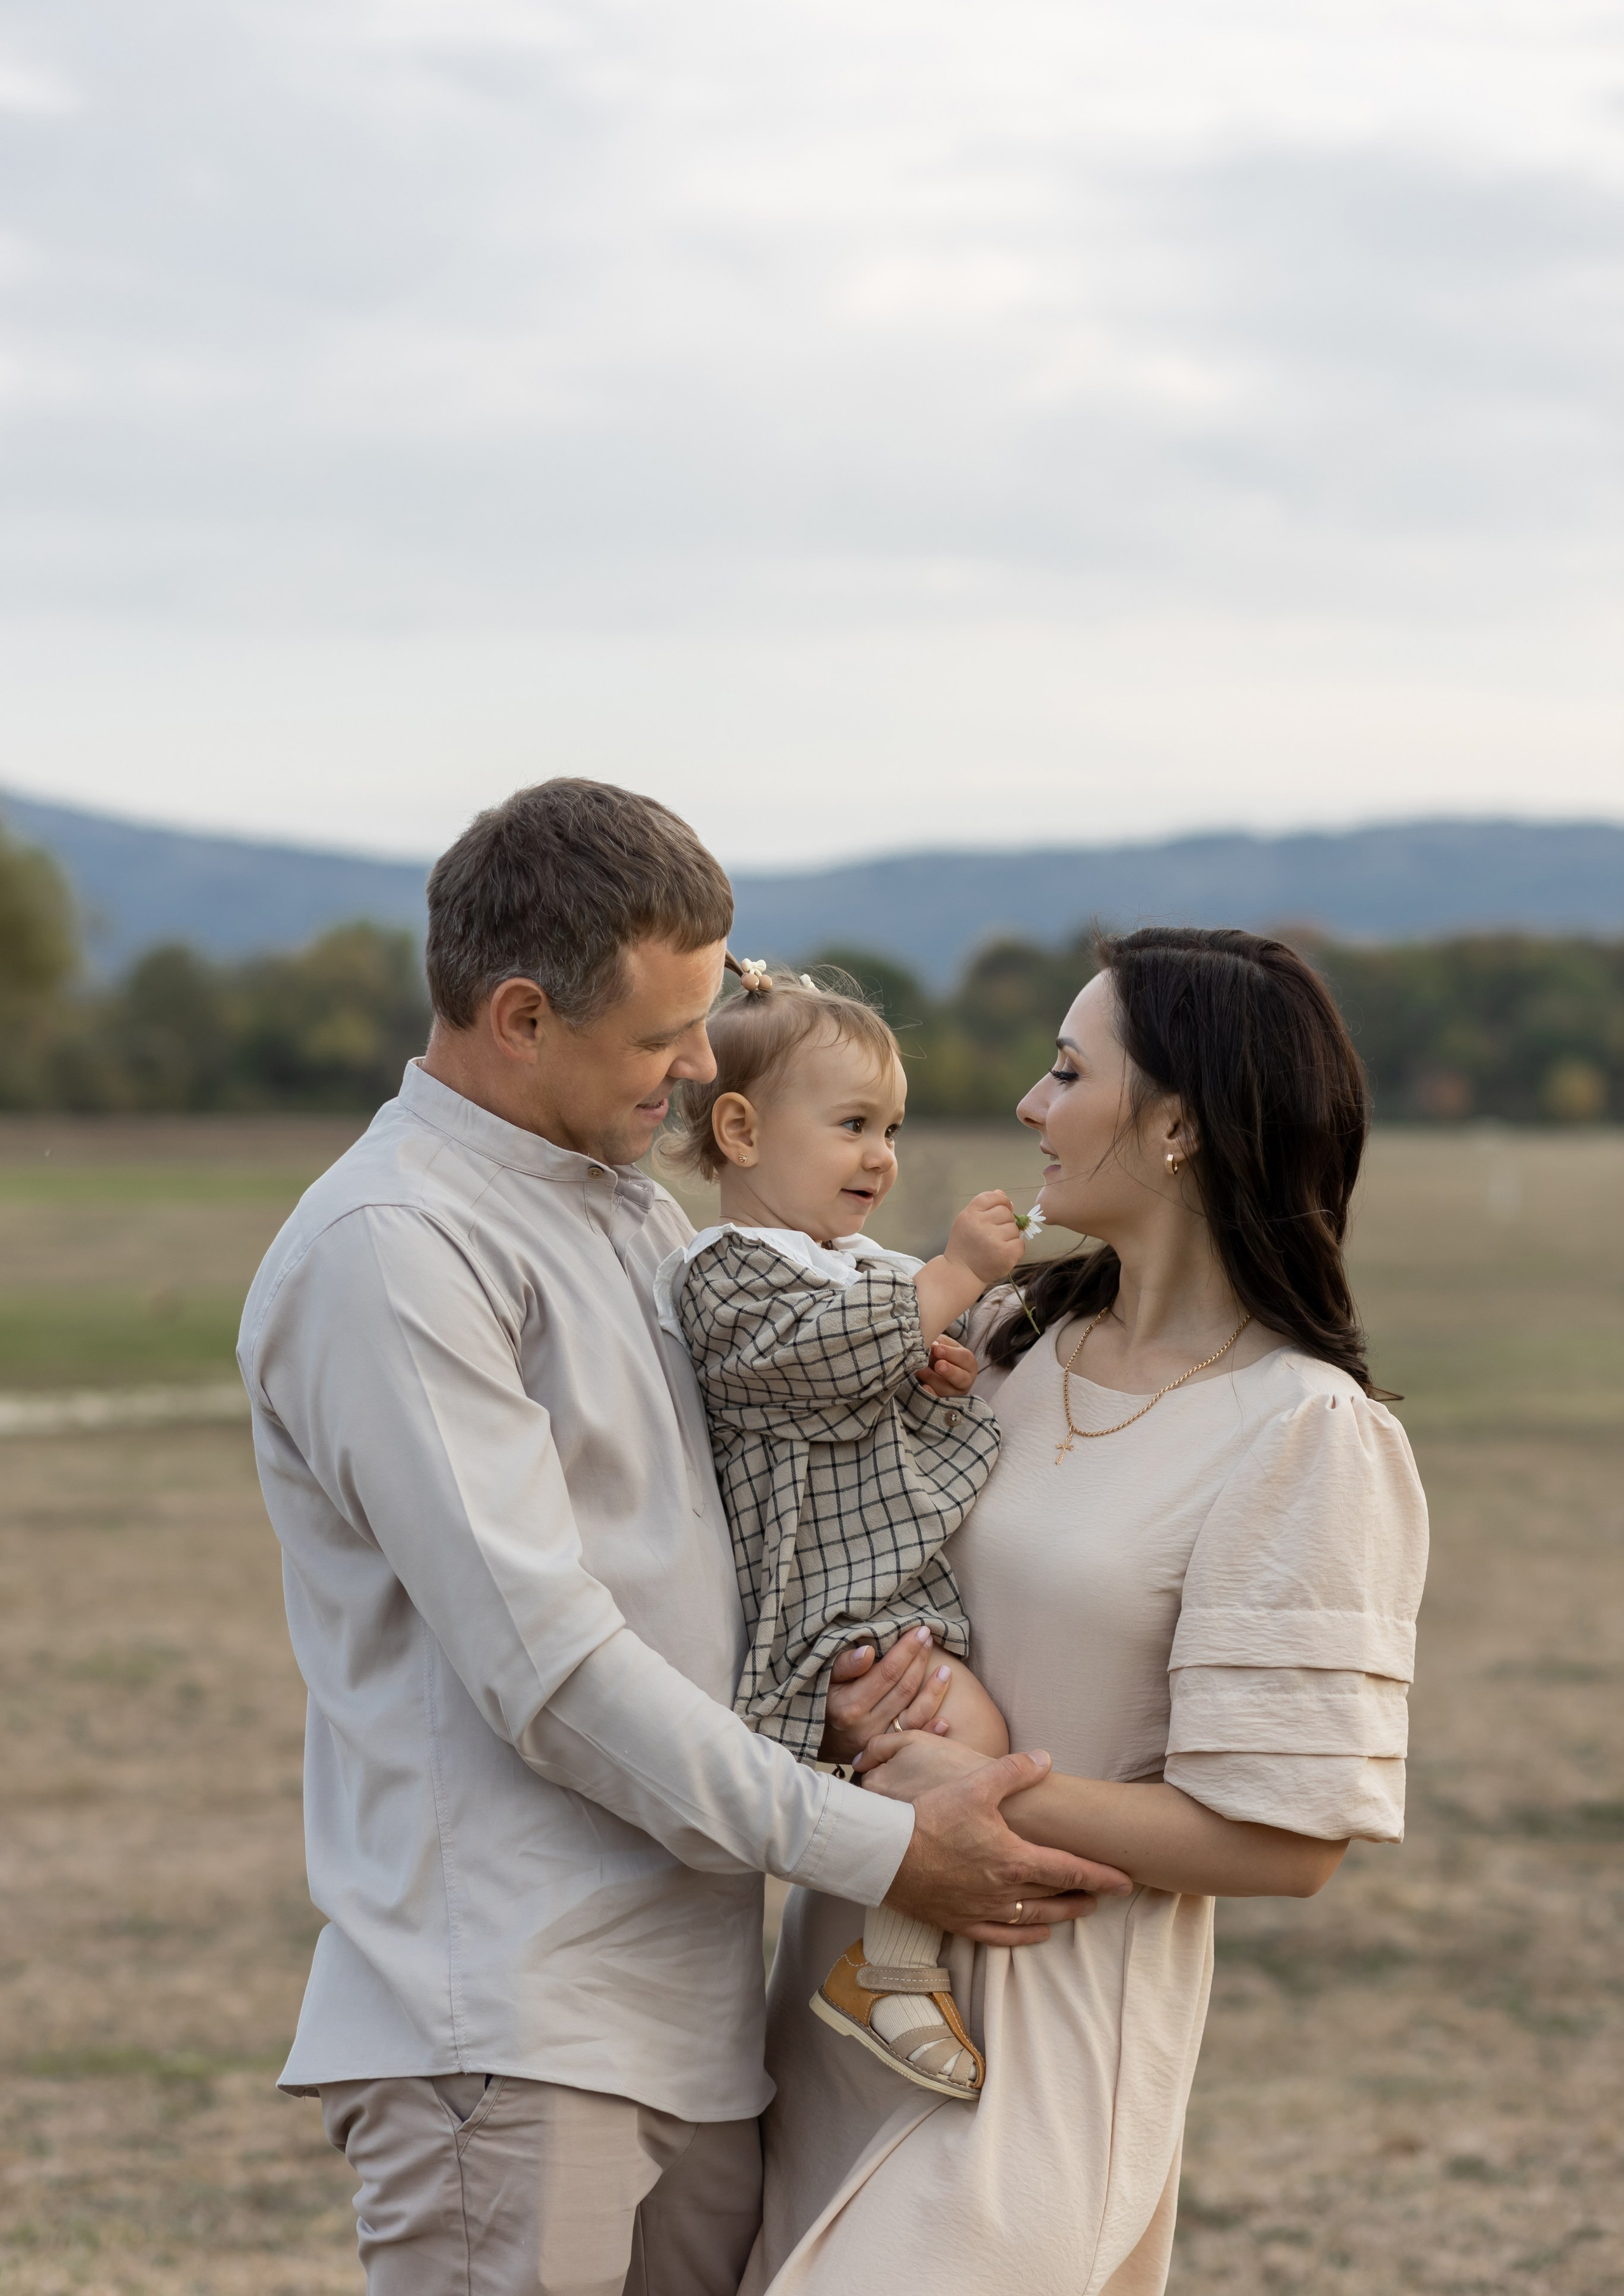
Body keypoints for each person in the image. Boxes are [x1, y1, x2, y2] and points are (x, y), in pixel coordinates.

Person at [237, 777, 1122, 2296]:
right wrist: (891, 1848)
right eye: (662, 1038)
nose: (704, 1065)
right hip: (507, 2030)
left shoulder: (636, 1218)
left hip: (694, 2021)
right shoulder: (395, 1249)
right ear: (518, 1016)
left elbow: (717, 1542)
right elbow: (555, 1671)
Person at [745, 927, 1430, 2296]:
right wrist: (843, 1706)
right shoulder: (993, 1345)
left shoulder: (1301, 1432)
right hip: (838, 2004)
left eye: (1066, 1071)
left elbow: (1287, 1843)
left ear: (1175, 1121)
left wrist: (977, 1791)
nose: (1028, 1106)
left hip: (1036, 2056)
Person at [657, 957, 1025, 2099]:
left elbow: (878, 1376)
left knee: (960, 1735)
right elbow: (817, 1362)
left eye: (894, 1127)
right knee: (964, 1735)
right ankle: (896, 1966)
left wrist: (938, 1375)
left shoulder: (856, 1269)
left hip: (873, 1582)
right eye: (855, 1123)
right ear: (743, 1129)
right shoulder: (726, 1272)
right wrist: (952, 1276)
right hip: (813, 1601)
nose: (883, 1155)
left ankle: (891, 1961)